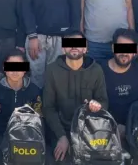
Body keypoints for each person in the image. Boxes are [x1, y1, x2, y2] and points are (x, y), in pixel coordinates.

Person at [43, 33, 108, 164]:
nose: (73, 47)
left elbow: (104, 102)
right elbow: (48, 108)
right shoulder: (52, 70)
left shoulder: (96, 70)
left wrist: (97, 106)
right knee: (60, 159)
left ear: (85, 49)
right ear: (63, 49)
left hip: (89, 130)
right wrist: (61, 136)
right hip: (61, 128)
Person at [0, 50, 43, 165]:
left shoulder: (34, 91)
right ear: (4, 68)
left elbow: (40, 123)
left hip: (28, 143)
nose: (15, 71)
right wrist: (3, 143)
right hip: (1, 142)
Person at [101, 28, 138, 140]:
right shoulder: (99, 72)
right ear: (113, 48)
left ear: (135, 51)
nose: (124, 53)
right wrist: (113, 126)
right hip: (108, 130)